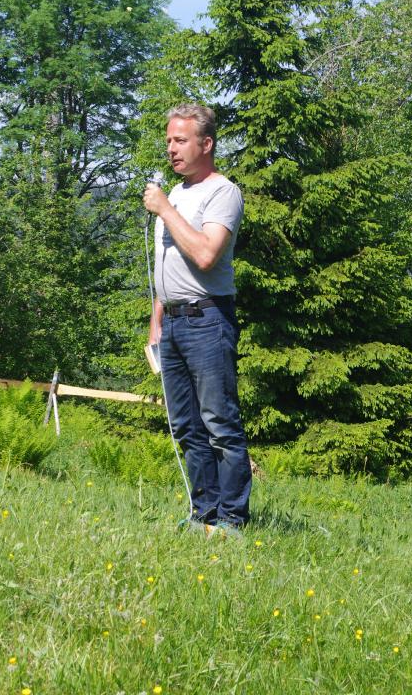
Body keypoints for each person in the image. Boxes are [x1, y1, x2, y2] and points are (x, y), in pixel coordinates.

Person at [144, 103, 252, 533]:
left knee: (219, 423)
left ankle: (230, 520)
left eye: (180, 140)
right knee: (186, 426)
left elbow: (206, 255)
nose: (171, 149)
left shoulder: (222, 193)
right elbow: (166, 264)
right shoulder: (175, 193)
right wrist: (156, 322)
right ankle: (202, 514)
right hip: (172, 322)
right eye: (169, 140)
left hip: (207, 319)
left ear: (206, 144)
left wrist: (165, 211)